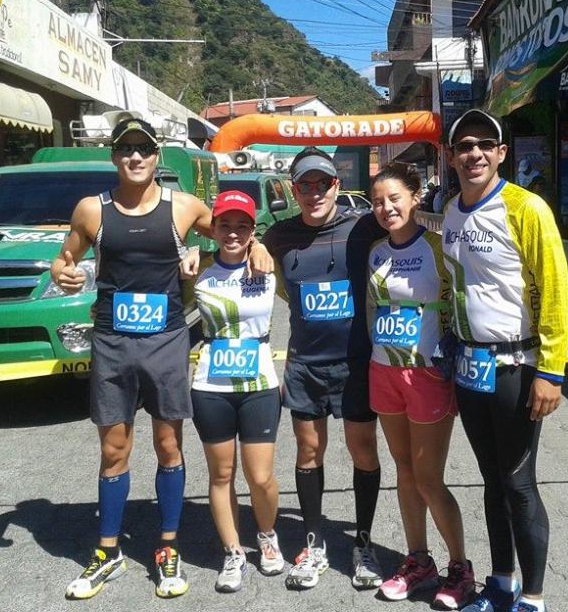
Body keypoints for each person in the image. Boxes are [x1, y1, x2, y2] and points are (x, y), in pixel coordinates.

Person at [51, 118, 271, 600]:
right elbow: (65, 258)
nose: (135, 157)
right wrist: (62, 272)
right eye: (126, 149)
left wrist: (257, 248)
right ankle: (107, 551)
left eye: (144, 149)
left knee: (169, 445)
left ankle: (166, 546)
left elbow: (234, 234)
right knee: (114, 449)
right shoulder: (93, 210)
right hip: (113, 341)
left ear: (157, 156)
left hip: (167, 340)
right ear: (113, 156)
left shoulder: (184, 207)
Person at [441, 109, 568, 612]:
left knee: (518, 484)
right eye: (463, 146)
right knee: (491, 481)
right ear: (450, 158)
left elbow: (556, 289)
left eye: (483, 145)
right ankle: (500, 586)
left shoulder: (527, 208)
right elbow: (453, 284)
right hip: (469, 368)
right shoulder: (451, 211)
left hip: (517, 367)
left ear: (500, 153)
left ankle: (533, 599)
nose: (473, 153)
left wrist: (551, 371)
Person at [261, 146, 387, 591]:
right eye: (305, 184)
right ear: (294, 190)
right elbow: (241, 254)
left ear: (337, 185)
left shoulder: (364, 226)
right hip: (305, 365)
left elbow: (412, 226)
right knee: (308, 453)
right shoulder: (276, 237)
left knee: (363, 452)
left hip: (354, 364)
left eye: (323, 183)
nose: (314, 192)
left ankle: (364, 542)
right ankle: (314, 543)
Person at [366, 164, 474, 609]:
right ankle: (418, 562)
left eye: (394, 198)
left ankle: (461, 571)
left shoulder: (437, 247)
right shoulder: (374, 251)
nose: (386, 208)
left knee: (429, 478)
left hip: (426, 374)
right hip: (383, 371)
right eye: (377, 201)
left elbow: (462, 304)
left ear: (414, 197)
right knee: (404, 470)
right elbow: (373, 309)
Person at [189, 189, 285, 592]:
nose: (232, 232)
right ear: (212, 229)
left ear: (252, 229)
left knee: (260, 476)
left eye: (241, 225)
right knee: (222, 473)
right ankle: (233, 552)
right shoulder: (197, 271)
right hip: (211, 385)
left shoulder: (267, 266)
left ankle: (266, 536)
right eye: (224, 225)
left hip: (260, 384)